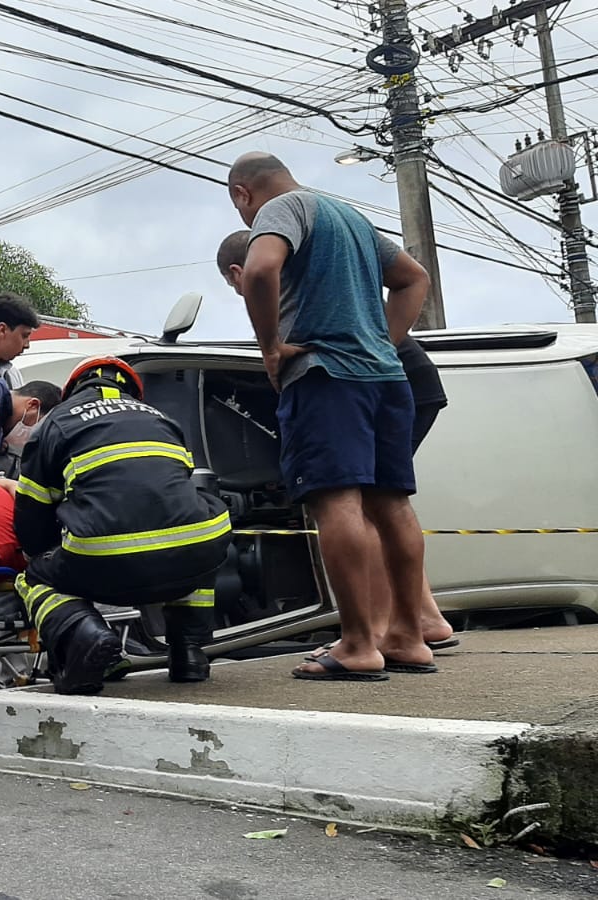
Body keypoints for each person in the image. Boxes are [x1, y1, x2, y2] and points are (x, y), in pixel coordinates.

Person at [225, 151, 435, 681]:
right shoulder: (351, 217)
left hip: (326, 378)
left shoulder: (282, 208)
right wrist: (383, 343)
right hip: (386, 380)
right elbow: (414, 278)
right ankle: (409, 637)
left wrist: (271, 347)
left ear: (243, 194)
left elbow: (260, 269)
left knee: (337, 501)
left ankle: (359, 644)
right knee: (392, 505)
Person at [15, 356, 232, 693]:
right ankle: (189, 653)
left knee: (34, 578)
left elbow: (31, 520)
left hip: (105, 562)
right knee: (194, 540)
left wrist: (48, 557)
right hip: (191, 558)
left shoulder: (56, 422)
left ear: (72, 390)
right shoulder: (164, 420)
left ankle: (83, 636)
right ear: (132, 391)